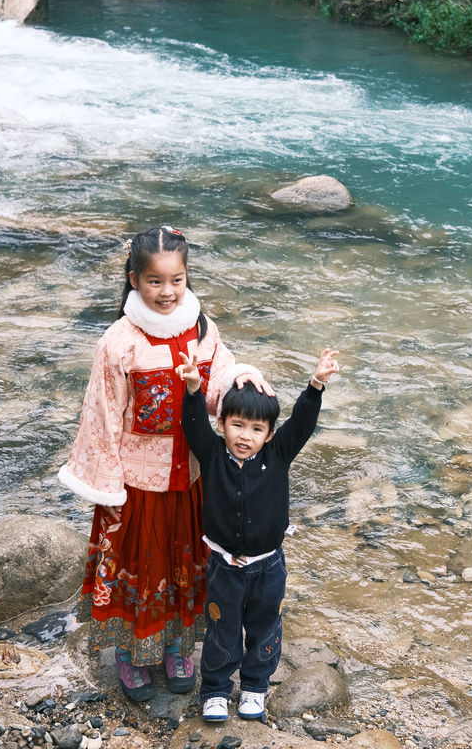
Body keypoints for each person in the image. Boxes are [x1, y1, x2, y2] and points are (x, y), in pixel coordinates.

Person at [58, 226, 267, 703]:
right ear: (134, 279)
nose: (167, 292)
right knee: (138, 565)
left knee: (185, 563)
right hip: (137, 483)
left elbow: (219, 388)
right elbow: (102, 416)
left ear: (187, 277)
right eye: (155, 281)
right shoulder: (119, 342)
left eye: (176, 280)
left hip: (192, 476)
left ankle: (176, 646)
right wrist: (108, 486)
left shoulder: (202, 330)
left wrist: (243, 374)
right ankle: (130, 653)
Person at [177, 346, 339, 721]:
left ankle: (254, 687)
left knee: (265, 629)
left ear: (269, 434)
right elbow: (193, 424)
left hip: (268, 566)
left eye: (256, 429)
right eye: (237, 425)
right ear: (223, 424)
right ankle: (216, 690)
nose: (245, 436)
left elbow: (301, 423)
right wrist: (192, 389)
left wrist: (315, 384)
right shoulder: (213, 454)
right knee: (221, 628)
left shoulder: (278, 454)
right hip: (223, 565)